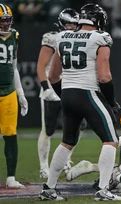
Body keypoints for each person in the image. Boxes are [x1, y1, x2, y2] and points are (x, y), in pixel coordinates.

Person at [39, 3, 121, 201]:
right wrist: (111, 101)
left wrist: (66, 96)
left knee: (67, 142)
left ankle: (49, 188)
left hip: (68, 93)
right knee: (111, 140)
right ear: (98, 20)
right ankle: (103, 190)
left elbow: (52, 76)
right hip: (88, 92)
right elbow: (104, 77)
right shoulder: (100, 38)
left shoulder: (61, 37)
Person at [36, 8, 87, 179]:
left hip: (71, 87)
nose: (72, 27)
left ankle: (66, 159)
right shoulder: (52, 37)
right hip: (53, 87)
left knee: (76, 127)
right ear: (61, 24)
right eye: (69, 24)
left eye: (74, 24)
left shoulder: (81, 38)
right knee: (48, 129)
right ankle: (44, 166)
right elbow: (41, 66)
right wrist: (46, 88)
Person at [0, 3, 28, 189]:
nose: (5, 24)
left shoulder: (14, 35)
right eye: (2, 21)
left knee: (10, 134)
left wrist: (21, 93)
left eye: (7, 20)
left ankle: (11, 176)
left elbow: (14, 67)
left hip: (8, 91)